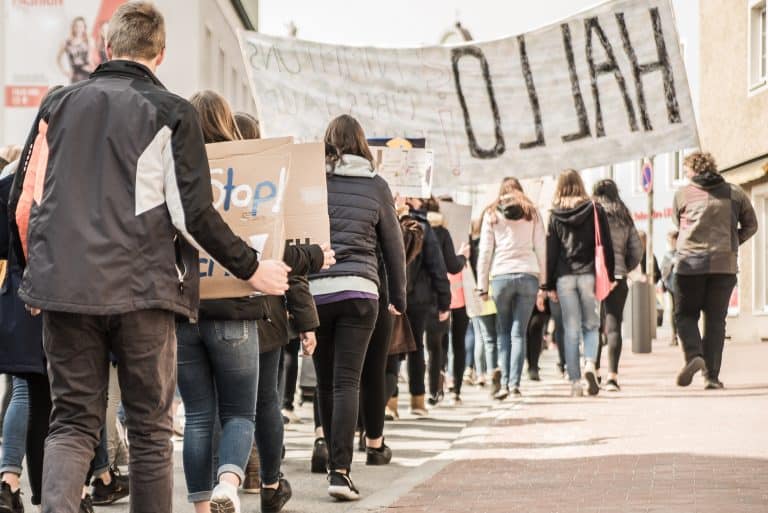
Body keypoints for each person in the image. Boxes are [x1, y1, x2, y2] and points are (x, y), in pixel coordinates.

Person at [9, 4, 289, 513]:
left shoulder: (57, 105)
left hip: (65, 291)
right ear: (160, 53)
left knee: (72, 422)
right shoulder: (170, 111)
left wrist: (32, 278)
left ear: (107, 48)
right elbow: (194, 216)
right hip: (143, 292)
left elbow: (23, 204)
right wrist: (253, 266)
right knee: (150, 430)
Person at [309, 114, 406, 501]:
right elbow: (394, 247)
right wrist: (398, 297)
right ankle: (340, 472)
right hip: (361, 292)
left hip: (318, 293)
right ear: (363, 144)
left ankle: (329, 453)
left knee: (326, 381)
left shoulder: (314, 182)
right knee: (348, 379)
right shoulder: (377, 186)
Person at [672, 152, 757, 389]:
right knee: (716, 320)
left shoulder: (683, 194)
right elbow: (752, 225)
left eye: (686, 170)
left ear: (693, 170)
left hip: (690, 264)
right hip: (724, 265)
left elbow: (677, 223)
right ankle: (711, 377)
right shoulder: (735, 192)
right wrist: (732, 242)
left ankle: (694, 355)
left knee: (685, 315)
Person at [543, 169, 615, 397]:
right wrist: (610, 275)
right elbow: (606, 244)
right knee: (591, 326)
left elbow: (551, 252)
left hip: (564, 277)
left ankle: (575, 382)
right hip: (588, 275)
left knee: (570, 330)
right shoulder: (594, 209)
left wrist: (548, 285)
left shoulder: (554, 214)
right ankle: (589, 366)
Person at [477, 177, 546, 399]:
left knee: (503, 332)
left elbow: (485, 251)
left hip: (501, 275)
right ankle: (515, 384)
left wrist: (481, 284)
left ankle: (504, 382)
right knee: (519, 332)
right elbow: (541, 247)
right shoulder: (532, 211)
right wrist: (543, 282)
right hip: (528, 273)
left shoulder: (491, 213)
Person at [592, 179, 643, 392]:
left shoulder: (591, 212)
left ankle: (593, 371)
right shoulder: (624, 215)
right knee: (614, 326)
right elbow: (637, 249)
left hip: (595, 275)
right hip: (619, 276)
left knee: (593, 325)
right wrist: (625, 266)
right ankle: (612, 376)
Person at [404, 197, 451, 416]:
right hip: (418, 298)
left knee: (389, 350)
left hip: (391, 295)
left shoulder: (386, 218)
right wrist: (444, 301)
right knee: (416, 348)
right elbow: (437, 266)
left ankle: (389, 403)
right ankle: (417, 400)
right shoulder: (423, 227)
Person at [423, 197, 469, 405]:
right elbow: (452, 265)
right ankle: (446, 389)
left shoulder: (409, 227)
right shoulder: (442, 232)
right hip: (444, 296)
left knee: (423, 347)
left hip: (415, 297)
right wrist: (463, 257)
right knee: (442, 345)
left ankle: (423, 393)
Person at [57, 17, 94, 83]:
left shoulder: (89, 41)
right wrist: (64, 71)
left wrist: (94, 69)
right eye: (76, 26)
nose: (79, 28)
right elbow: (58, 58)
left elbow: (90, 59)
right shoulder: (66, 42)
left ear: (84, 27)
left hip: (88, 74)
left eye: (81, 26)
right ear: (73, 27)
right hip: (75, 76)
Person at [661, 229, 680, 346]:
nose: (670, 242)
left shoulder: (681, 253)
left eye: (672, 240)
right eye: (669, 240)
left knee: (680, 310)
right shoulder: (667, 255)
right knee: (673, 311)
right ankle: (674, 335)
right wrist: (671, 264)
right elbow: (663, 270)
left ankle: (680, 334)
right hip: (671, 286)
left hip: (681, 285)